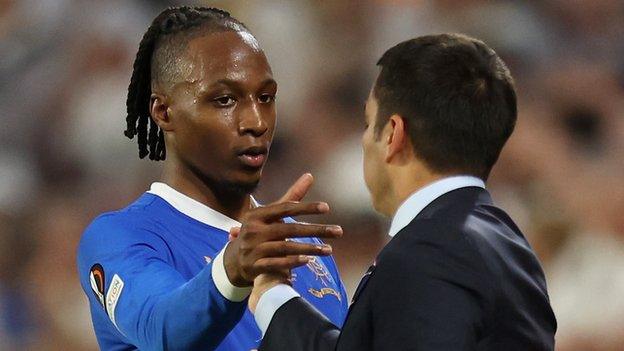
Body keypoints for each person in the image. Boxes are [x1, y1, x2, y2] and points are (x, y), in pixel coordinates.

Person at [248, 34, 558, 350]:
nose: (364, 140)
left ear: (394, 134)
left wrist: (272, 296)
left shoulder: (429, 253)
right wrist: (276, 297)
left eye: (368, 123)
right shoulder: (510, 244)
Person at [76, 6, 348, 351]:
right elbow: (162, 330)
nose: (256, 121)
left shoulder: (305, 249)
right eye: (224, 100)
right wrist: (231, 269)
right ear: (164, 111)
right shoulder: (121, 237)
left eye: (265, 98)